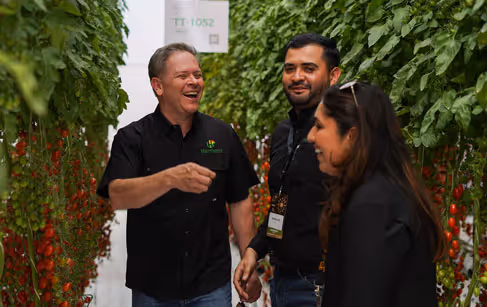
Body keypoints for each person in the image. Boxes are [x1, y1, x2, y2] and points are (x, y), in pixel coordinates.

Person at [97, 43, 262, 306]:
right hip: (152, 288)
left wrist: (248, 262)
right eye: (183, 76)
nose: (194, 82)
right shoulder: (132, 139)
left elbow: (240, 201)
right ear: (158, 86)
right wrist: (170, 179)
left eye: (197, 75)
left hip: (211, 286)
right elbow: (117, 195)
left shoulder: (222, 135)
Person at [307, 81, 446, 307]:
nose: (311, 136)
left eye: (319, 126)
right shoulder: (384, 193)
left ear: (351, 136)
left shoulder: (371, 207)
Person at [234, 33, 341, 306]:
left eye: (309, 68)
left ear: (333, 75)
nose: (296, 76)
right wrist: (255, 249)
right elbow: (282, 202)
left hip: (324, 287)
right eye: (290, 68)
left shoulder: (347, 135)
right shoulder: (284, 132)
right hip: (283, 281)